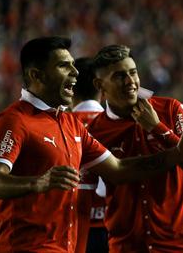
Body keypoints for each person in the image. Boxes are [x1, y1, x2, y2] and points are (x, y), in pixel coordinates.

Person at [0, 36, 183, 252]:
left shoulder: (71, 123)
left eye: (133, 72)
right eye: (64, 66)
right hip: (27, 246)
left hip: (172, 244)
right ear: (36, 75)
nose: (75, 73)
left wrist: (170, 145)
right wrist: (38, 183)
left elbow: (120, 169)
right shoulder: (16, 120)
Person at [87, 44, 183, 252]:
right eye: (119, 76)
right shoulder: (95, 131)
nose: (130, 82)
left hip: (179, 245)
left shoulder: (170, 109)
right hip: (127, 247)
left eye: (133, 73)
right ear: (100, 85)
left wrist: (158, 128)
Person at [71, 57, 109, 253]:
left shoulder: (60, 125)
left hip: (72, 227)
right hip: (115, 228)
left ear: (71, 89)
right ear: (101, 88)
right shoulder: (120, 124)